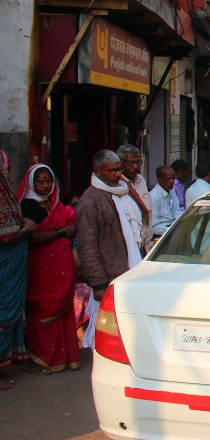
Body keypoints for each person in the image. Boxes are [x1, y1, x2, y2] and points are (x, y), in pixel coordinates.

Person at [76, 150, 145, 349]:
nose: (117, 174)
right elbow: (88, 247)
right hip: (109, 276)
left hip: (128, 271)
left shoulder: (122, 193)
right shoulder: (90, 201)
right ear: (98, 172)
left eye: (118, 170)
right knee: (108, 333)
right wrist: (98, 284)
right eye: (112, 171)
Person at [17, 164, 80, 375]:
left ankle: (66, 357)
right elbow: (33, 237)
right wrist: (62, 231)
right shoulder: (26, 205)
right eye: (40, 181)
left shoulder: (55, 204)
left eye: (48, 181)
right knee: (43, 306)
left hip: (60, 264)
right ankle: (42, 358)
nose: (44, 186)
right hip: (41, 266)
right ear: (31, 183)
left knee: (63, 305)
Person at [0, 149, 37, 389]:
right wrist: (28, 229)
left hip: (11, 268)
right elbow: (6, 236)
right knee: (5, 315)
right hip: (6, 267)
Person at [117, 144, 151, 232]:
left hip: (145, 236)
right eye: (131, 163)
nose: (135, 167)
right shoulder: (118, 184)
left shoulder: (141, 180)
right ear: (120, 163)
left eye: (138, 162)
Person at [148, 165, 181, 237]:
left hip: (172, 229)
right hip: (160, 235)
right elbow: (153, 226)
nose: (172, 181)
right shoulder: (153, 196)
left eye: (173, 179)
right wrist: (171, 230)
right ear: (159, 180)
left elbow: (177, 212)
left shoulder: (171, 191)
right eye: (168, 179)